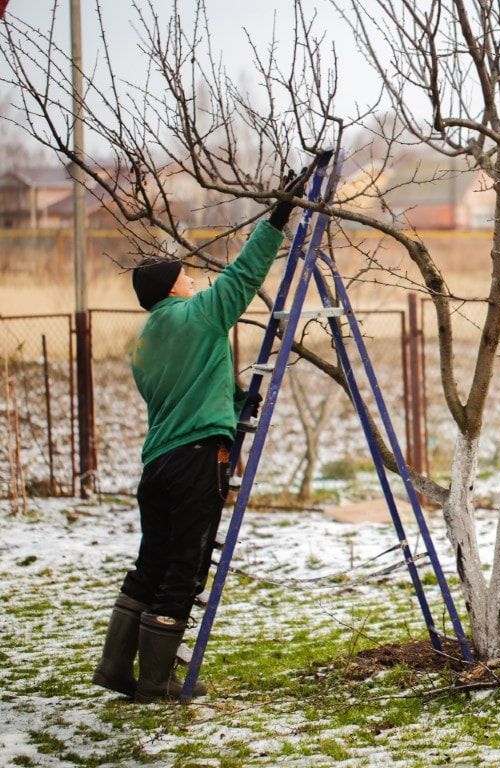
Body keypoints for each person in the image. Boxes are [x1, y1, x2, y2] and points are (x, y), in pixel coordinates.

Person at [91, 157, 324, 703]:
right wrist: (278, 216)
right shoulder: (199, 315)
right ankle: (156, 680)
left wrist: (237, 398)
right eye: (186, 274)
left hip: (159, 464)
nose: (195, 278)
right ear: (173, 287)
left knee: (152, 560)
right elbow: (245, 274)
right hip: (198, 458)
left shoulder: (145, 344)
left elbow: (183, 391)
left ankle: (114, 667)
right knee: (185, 566)